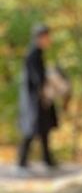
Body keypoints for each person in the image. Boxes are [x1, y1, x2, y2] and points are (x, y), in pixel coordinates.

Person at [16, 24, 59, 170]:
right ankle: (22, 161)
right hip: (34, 100)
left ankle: (47, 160)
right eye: (47, 37)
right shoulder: (33, 55)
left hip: (38, 98)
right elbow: (37, 79)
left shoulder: (38, 54)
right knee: (31, 130)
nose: (49, 40)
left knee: (43, 129)